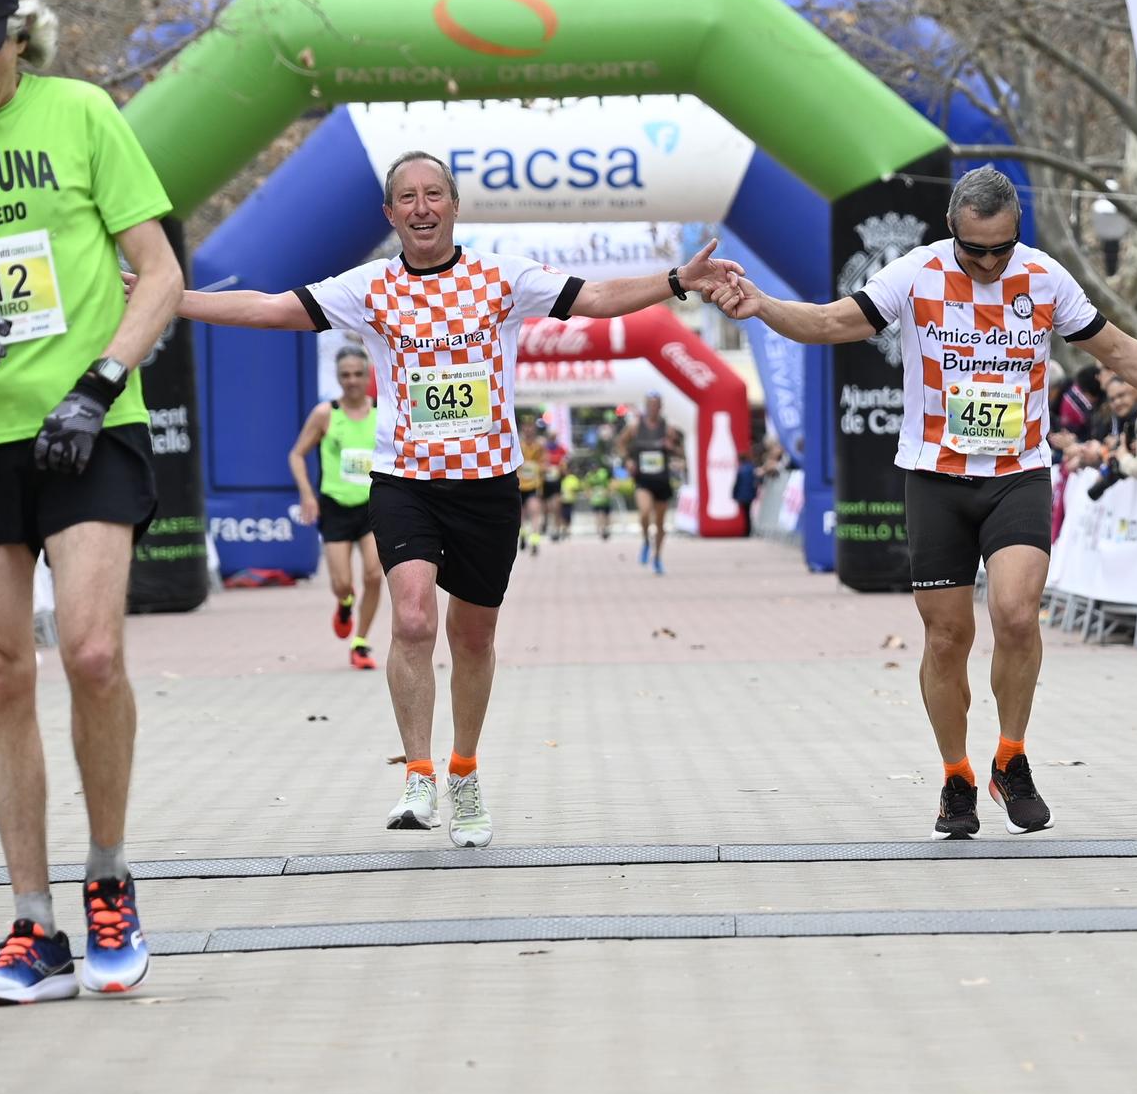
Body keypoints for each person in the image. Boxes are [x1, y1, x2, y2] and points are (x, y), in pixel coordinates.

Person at [162, 149, 738, 849]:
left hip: (488, 485)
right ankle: (419, 771)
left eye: (434, 194)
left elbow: (594, 299)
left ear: (455, 204)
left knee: (473, 636)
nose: (422, 207)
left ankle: (464, 769)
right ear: (389, 214)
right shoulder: (370, 286)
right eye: (407, 197)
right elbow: (271, 306)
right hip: (406, 481)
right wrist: (173, 296)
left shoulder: (502, 277)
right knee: (410, 619)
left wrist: (678, 279)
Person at [706, 165, 1137, 839]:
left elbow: (1117, 349)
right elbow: (828, 321)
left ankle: (1011, 759)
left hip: (1017, 470)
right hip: (934, 476)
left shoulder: (1045, 278)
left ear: (1016, 230)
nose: (990, 263)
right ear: (951, 234)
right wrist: (761, 305)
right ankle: (956, 774)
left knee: (1017, 614)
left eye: (1001, 248)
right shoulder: (915, 273)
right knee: (947, 636)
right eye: (975, 250)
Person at [0, 0, 182, 1005]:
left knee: (92, 649)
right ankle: (31, 924)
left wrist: (101, 382)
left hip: (88, 420)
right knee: (1, 669)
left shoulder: (83, 112)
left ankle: (108, 879)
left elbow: (162, 271)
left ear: (19, 34)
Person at [288, 344, 384, 670]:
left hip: (373, 506)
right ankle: (345, 603)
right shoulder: (325, 414)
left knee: (374, 574)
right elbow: (296, 454)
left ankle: (361, 643)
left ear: (368, 374)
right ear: (338, 377)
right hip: (336, 506)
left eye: (358, 374)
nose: (352, 381)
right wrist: (307, 495)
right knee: (342, 583)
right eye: (346, 375)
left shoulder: (382, 411)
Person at [624, 392, 675, 573]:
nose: (653, 408)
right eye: (650, 405)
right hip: (643, 479)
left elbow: (679, 450)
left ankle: (658, 558)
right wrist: (628, 461)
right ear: (646, 406)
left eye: (656, 405)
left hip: (661, 479)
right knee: (645, 513)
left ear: (660, 407)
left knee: (660, 524)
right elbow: (621, 445)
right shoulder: (635, 427)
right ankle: (646, 540)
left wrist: (672, 448)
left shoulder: (667, 428)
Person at [516, 418, 547, 556]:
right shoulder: (517, 444)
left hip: (534, 486)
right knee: (520, 515)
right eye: (526, 427)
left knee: (535, 512)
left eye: (531, 427)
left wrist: (537, 467)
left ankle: (535, 541)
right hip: (519, 485)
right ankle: (523, 535)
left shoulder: (540, 446)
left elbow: (546, 464)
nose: (528, 430)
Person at [585, 454, 615, 540]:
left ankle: (607, 529)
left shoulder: (604, 472)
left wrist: (609, 491)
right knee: (598, 514)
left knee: (606, 515)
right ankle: (600, 530)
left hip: (605, 498)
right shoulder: (589, 475)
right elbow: (587, 487)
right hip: (596, 499)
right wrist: (589, 495)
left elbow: (611, 481)